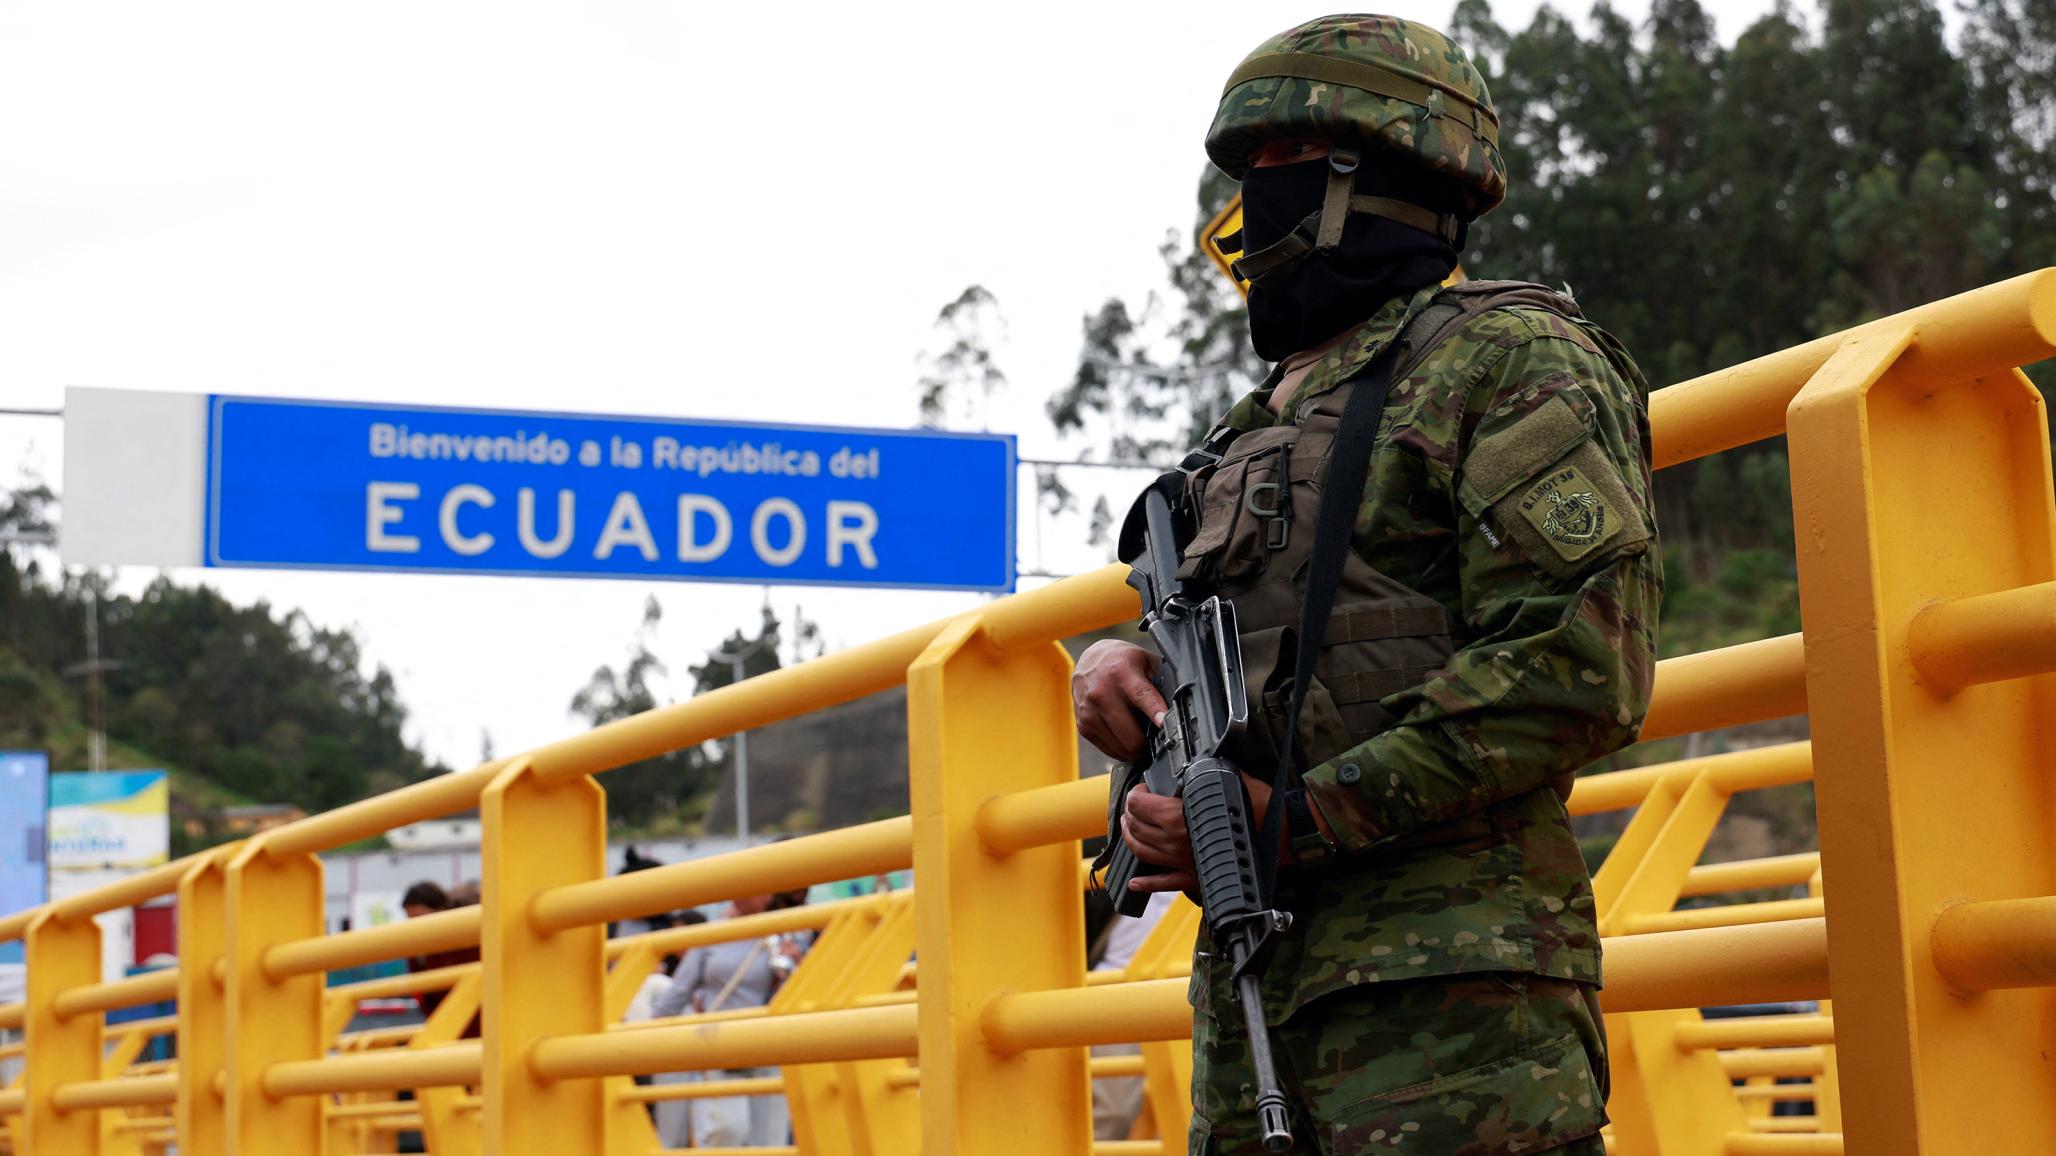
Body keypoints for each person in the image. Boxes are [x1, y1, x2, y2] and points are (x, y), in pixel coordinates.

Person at [1074, 15, 1660, 1154]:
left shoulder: (1502, 359)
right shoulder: (1252, 429)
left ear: (1365, 175)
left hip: (1453, 1031)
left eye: (1273, 181)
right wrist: (1127, 678)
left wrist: (1295, 818)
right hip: (1257, 1012)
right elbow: (1267, 662)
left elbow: (1577, 665)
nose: (1249, 224)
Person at [649, 890, 801, 1148]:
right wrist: (643, 1031)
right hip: (719, 1043)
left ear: (768, 896)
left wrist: (791, 966)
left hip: (766, 1042)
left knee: (769, 1140)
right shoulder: (712, 935)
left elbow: (794, 994)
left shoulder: (781, 934)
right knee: (728, 1129)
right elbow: (679, 991)